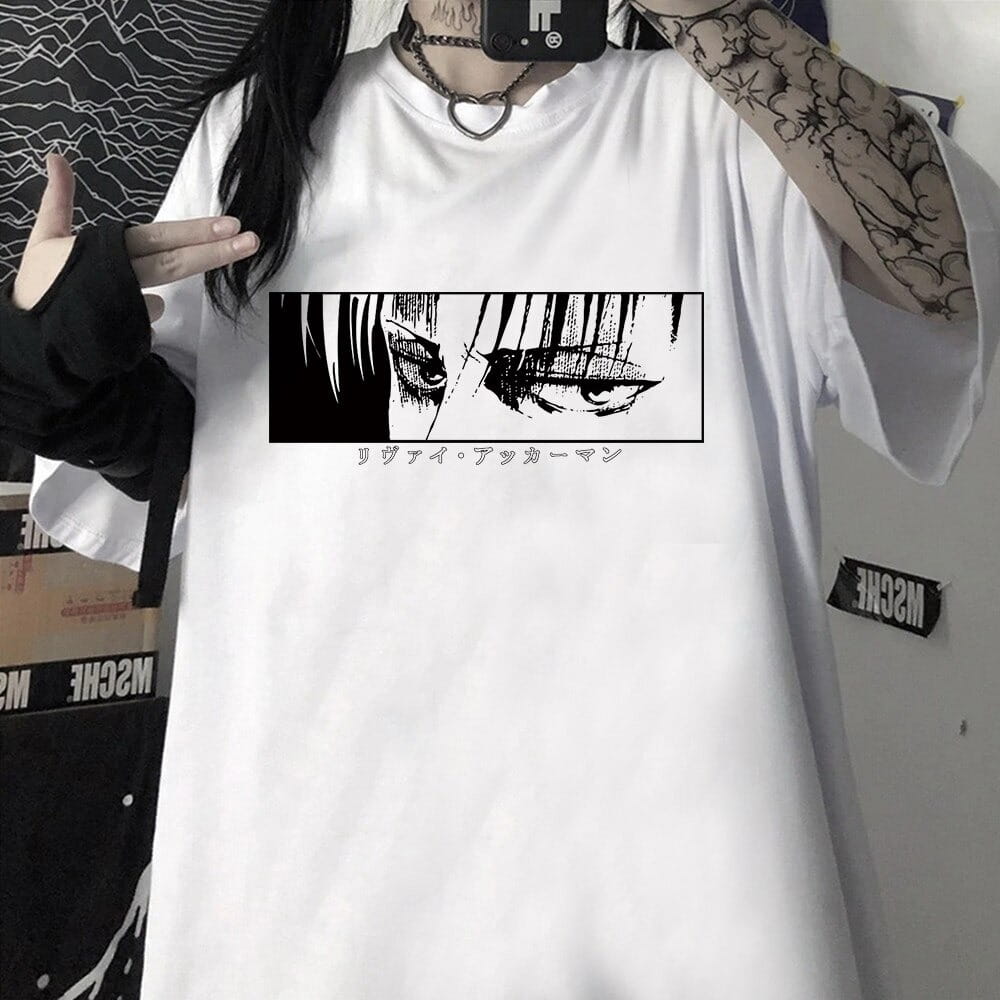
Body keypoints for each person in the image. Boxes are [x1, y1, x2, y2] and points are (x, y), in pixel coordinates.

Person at [3, 1, 999, 997]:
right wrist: (56, 376)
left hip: (687, 916)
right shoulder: (260, 134)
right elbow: (193, 470)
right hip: (318, 910)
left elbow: (952, 279)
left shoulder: (725, 129)